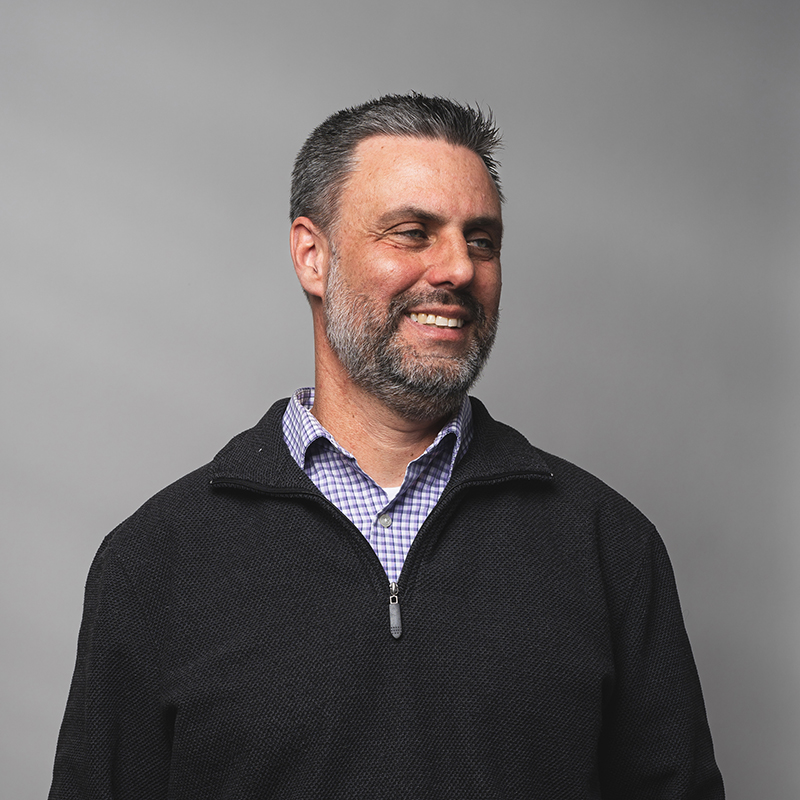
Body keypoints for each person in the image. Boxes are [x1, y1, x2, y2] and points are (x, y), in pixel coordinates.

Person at [49, 93, 724, 798]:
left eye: (482, 240)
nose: (459, 269)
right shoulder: (155, 562)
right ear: (313, 256)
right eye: (413, 232)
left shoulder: (608, 549)